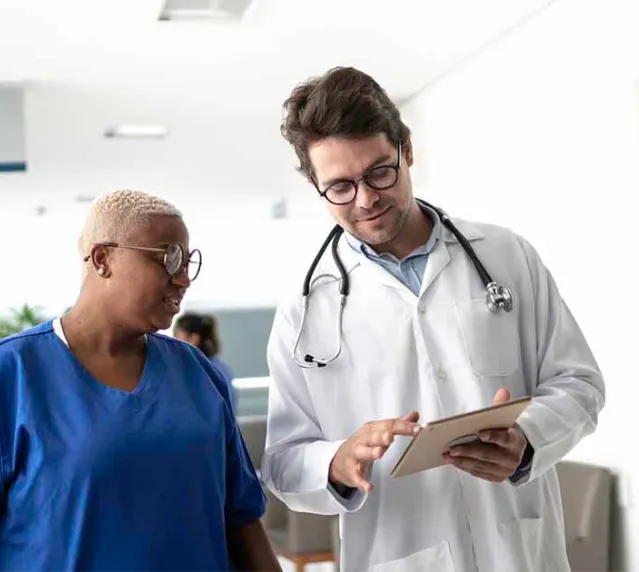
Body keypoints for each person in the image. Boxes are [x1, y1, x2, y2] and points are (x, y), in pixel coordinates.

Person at [260, 67, 606, 572]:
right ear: (316, 185)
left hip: (519, 551)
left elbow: (580, 383)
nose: (366, 199)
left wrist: (528, 440)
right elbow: (283, 462)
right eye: (339, 186)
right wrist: (336, 461)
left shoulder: (506, 256)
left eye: (380, 172)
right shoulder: (305, 308)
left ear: (407, 150)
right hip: (400, 554)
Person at [0, 189, 280, 571]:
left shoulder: (197, 376)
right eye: (168, 257)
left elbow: (241, 523)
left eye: (188, 261)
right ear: (102, 258)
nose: (183, 279)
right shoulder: (2, 378)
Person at [174, 312, 239, 413]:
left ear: (193, 339)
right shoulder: (220, 367)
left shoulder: (199, 371)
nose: (173, 343)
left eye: (177, 337)